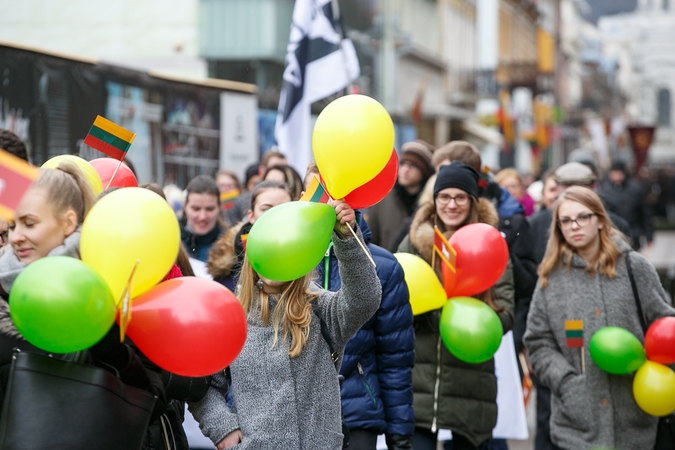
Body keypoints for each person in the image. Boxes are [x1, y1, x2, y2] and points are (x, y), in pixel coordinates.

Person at [189, 200, 382, 450]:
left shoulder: (319, 307)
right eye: (268, 247)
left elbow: (365, 298)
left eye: (283, 248)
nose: (275, 257)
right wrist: (224, 429)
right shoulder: (230, 316)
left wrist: (347, 238)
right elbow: (200, 385)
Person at [0, 163, 164, 431]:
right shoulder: (2, 291)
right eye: (12, 226)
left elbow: (153, 402)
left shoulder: (110, 286)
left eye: (29, 224)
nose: (17, 237)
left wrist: (113, 352)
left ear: (68, 222)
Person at [523, 186, 675, 450]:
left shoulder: (634, 267)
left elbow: (665, 325)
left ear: (601, 221)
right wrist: (566, 381)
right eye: (566, 221)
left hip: (637, 423)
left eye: (583, 217)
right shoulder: (551, 277)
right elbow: (538, 342)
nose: (575, 226)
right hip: (577, 429)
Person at [397, 162, 514, 450]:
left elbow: (507, 311)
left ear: (473, 201)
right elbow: (393, 299)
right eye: (444, 197)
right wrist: (432, 312)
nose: (452, 204)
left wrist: (469, 319)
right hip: (420, 387)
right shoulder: (414, 243)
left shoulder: (490, 245)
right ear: (434, 200)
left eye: (460, 197)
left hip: (471, 387)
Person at [305, 162, 415, 450]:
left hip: (357, 410)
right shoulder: (287, 261)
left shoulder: (383, 266)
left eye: (334, 195)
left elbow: (395, 357)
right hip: (301, 412)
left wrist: (400, 433)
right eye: (316, 191)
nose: (326, 203)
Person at [208, 181, 293, 291]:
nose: (274, 215)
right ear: (251, 216)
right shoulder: (228, 268)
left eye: (283, 209)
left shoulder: (306, 258)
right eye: (266, 209)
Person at [367, 140, 435, 250]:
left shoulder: (429, 204)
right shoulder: (383, 200)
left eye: (412, 166)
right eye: (402, 164)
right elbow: (371, 239)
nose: (405, 170)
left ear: (424, 171)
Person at [598, 160, 654, 251]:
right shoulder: (605, 190)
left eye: (618, 173)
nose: (615, 176)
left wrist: (649, 236)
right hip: (612, 235)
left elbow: (645, 214)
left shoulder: (636, 189)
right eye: (613, 173)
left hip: (633, 234)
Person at [181, 175, 224, 262]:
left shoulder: (230, 246)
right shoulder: (169, 237)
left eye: (210, 209)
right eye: (196, 209)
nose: (202, 217)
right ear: (185, 206)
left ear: (219, 207)